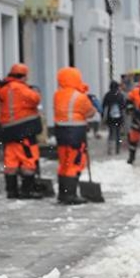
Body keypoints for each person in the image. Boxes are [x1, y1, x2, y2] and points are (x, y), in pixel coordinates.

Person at [0, 64, 44, 199]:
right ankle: (27, 190)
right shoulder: (20, 88)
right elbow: (36, 99)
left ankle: (11, 190)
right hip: (24, 130)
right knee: (28, 159)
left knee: (11, 161)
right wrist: (34, 91)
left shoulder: (2, 89)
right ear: (23, 75)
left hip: (8, 131)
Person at [53, 67, 96, 204]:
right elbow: (90, 112)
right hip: (76, 133)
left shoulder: (57, 95)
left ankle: (62, 193)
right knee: (75, 162)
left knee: (64, 163)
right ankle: (70, 195)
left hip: (60, 132)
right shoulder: (80, 96)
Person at [102, 81, 126, 155]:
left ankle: (110, 148)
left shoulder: (107, 95)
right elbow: (123, 106)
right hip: (119, 118)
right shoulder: (120, 95)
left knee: (111, 133)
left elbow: (104, 106)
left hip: (110, 117)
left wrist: (103, 117)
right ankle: (118, 149)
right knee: (118, 133)